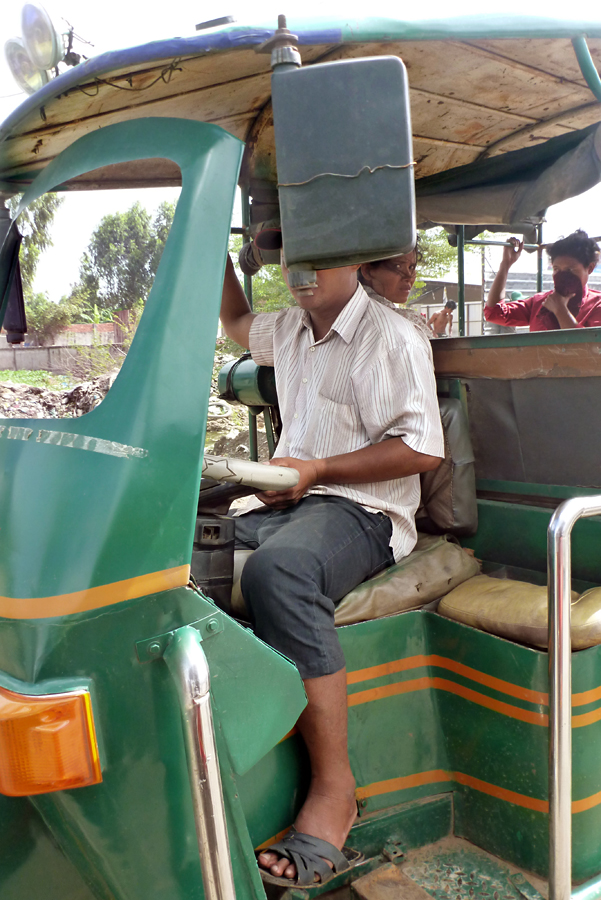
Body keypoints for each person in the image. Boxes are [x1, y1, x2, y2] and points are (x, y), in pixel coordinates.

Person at [220, 254, 444, 886]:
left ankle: (335, 788)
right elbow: (237, 320)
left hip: (366, 512)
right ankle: (225, 755)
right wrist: (215, 254)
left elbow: (422, 448)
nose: (303, 271)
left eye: (322, 257)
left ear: (356, 259)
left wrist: (316, 469)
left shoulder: (393, 336)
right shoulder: (288, 327)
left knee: (279, 572)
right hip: (293, 501)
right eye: (295, 258)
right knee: (180, 552)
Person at [485, 230, 601, 331]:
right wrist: (505, 265)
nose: (562, 276)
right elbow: (494, 313)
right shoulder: (539, 302)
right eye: (556, 269)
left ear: (590, 268)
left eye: (570, 270)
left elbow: (590, 349)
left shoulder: (597, 305)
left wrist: (560, 311)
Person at [359, 247, 433, 342]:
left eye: (411, 267)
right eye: (397, 267)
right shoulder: (409, 322)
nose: (408, 277)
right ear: (367, 271)